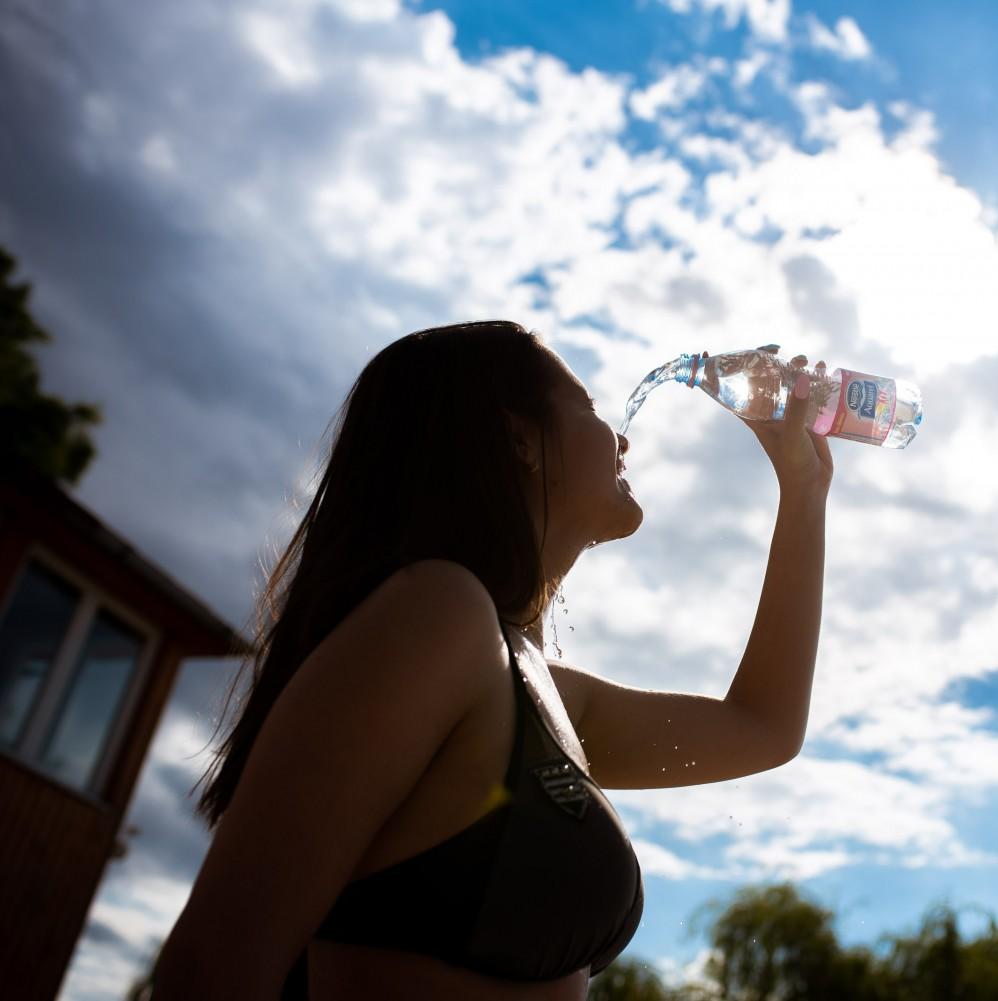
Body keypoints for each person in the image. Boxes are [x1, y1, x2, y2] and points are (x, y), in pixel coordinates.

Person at [151, 321, 833, 1000]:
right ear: (519, 439)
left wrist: (803, 491)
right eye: (590, 409)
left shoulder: (525, 681)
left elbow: (762, 727)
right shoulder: (436, 616)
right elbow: (210, 969)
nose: (621, 438)